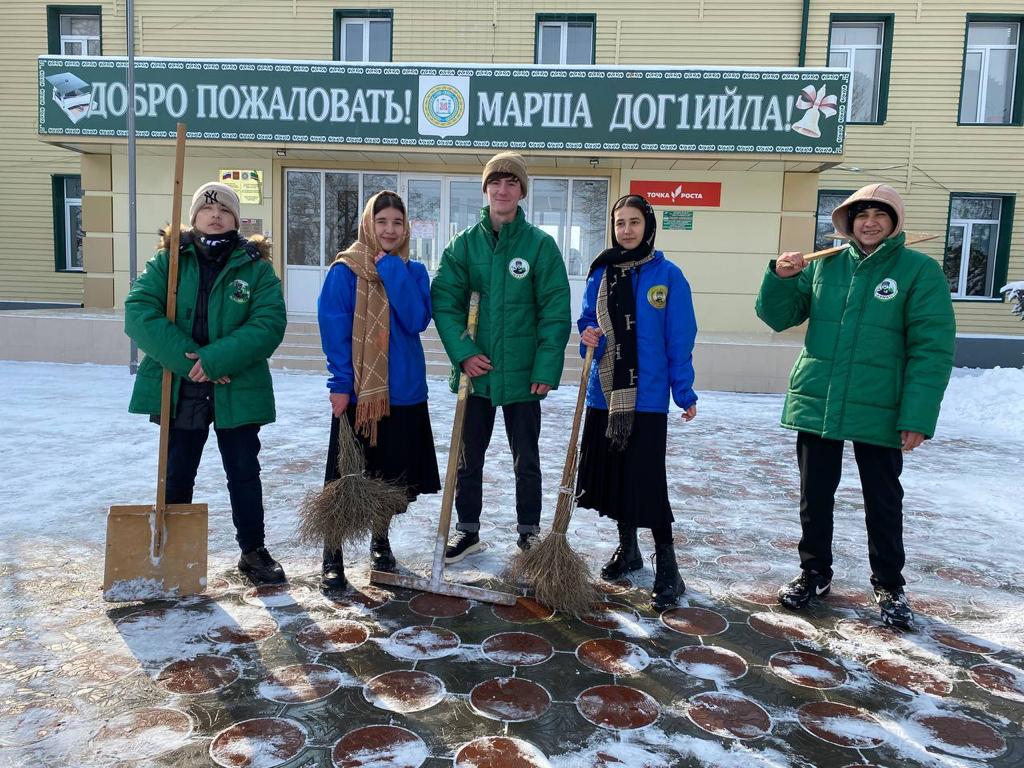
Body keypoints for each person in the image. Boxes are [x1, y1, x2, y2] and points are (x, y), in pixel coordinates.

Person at [755, 183, 956, 630]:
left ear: (894, 222)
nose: (869, 222)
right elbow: (778, 317)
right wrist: (781, 278)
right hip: (820, 398)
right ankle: (814, 573)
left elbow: (932, 349)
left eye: (880, 215)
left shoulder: (918, 271)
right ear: (848, 222)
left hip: (881, 403)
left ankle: (889, 584)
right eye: (861, 215)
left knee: (882, 499)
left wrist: (917, 415)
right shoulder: (824, 265)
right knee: (814, 495)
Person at [125, 181, 287, 585]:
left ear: (237, 220)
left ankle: (253, 551)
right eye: (207, 208)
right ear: (194, 216)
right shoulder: (169, 262)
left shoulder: (255, 268)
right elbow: (138, 312)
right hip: (182, 385)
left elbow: (269, 323)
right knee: (177, 472)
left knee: (244, 472)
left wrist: (216, 360)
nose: (215, 215)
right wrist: (192, 361)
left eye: (225, 210)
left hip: (236, 384)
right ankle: (171, 553)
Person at [431, 152, 571, 562]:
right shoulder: (464, 245)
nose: (503, 189)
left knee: (526, 460)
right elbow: (445, 302)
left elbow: (555, 310)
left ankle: (529, 533)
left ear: (522, 191)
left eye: (512, 183)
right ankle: (468, 531)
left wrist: (546, 366)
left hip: (523, 374)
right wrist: (464, 354)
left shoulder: (539, 246)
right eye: (496, 182)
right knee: (468, 459)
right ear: (486, 189)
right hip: (476, 373)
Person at [576, 194, 698, 611]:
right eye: (620, 223)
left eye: (633, 222)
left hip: (646, 399)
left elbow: (679, 338)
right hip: (604, 394)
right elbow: (587, 323)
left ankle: (669, 568)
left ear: (648, 226)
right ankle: (628, 550)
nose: (626, 230)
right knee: (615, 477)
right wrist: (587, 336)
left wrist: (684, 391)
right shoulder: (601, 272)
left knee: (647, 481)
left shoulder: (668, 275)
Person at [317, 190, 441, 591]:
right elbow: (334, 331)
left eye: (397, 223)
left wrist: (389, 267)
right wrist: (339, 383)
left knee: (390, 479)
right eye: (382, 221)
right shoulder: (344, 271)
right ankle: (332, 556)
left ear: (406, 229)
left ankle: (380, 543)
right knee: (345, 478)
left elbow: (416, 319)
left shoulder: (413, 271)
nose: (389, 229)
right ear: (368, 224)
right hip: (359, 394)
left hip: (403, 392)